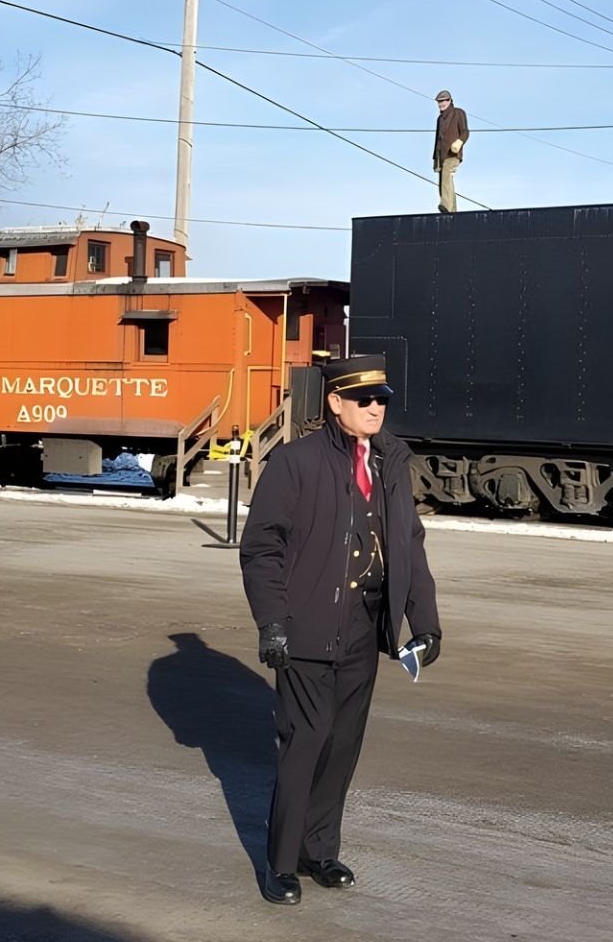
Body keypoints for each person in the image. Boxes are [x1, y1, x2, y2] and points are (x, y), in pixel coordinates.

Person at [240, 354, 444, 904]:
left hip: (365, 625)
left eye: (382, 400)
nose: (376, 408)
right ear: (335, 403)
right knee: (304, 742)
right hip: (305, 627)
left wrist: (424, 621)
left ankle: (318, 851)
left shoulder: (391, 462)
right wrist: (273, 622)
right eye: (364, 400)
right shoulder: (296, 462)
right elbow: (262, 548)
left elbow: (410, 545)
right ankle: (280, 863)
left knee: (342, 744)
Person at [432, 89, 468, 213]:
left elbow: (465, 132)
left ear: (449, 101)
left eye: (443, 101)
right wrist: (435, 158)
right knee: (445, 182)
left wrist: (459, 142)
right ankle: (452, 211)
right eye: (439, 102)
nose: (441, 104)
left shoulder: (458, 113)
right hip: (441, 155)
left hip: (452, 153)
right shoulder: (439, 119)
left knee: (446, 175)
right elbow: (437, 139)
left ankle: (446, 205)